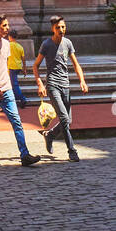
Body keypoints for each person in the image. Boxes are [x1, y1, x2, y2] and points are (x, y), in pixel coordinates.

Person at [0, 15, 40, 168]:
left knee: (17, 121)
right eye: (4, 26)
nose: (7, 28)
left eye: (7, 25)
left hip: (6, 90)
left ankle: (24, 154)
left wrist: (8, 85)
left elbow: (5, 67)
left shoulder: (7, 44)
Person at [33, 15, 89, 161]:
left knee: (68, 120)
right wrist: (40, 83)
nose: (61, 30)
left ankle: (50, 134)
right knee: (64, 118)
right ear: (53, 29)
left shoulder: (68, 43)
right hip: (53, 85)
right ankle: (72, 150)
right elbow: (35, 65)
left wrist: (82, 81)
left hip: (66, 85)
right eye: (58, 27)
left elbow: (76, 64)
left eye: (63, 27)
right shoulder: (46, 44)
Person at [8, 31, 28, 108]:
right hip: (18, 67)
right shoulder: (20, 47)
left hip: (11, 67)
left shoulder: (8, 45)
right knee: (13, 84)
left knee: (14, 85)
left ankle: (22, 99)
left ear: (10, 37)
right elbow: (23, 59)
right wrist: (24, 68)